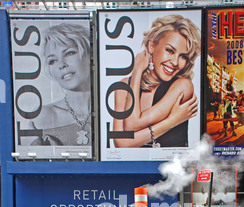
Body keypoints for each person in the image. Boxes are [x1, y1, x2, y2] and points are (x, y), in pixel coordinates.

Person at [112, 14, 201, 148]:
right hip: (136, 168)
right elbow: (121, 143)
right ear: (152, 45)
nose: (175, 62)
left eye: (183, 56)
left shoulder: (183, 86)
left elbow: (132, 124)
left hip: (173, 166)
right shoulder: (123, 87)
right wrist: (173, 120)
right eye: (170, 50)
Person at [29, 23, 91, 147]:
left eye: (69, 53)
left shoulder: (112, 111)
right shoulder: (42, 116)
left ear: (89, 55)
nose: (61, 65)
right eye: (52, 61)